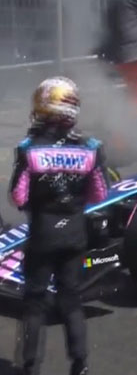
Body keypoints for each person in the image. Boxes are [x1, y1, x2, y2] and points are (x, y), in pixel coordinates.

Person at [10, 76, 109, 375]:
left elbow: (17, 197)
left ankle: (30, 366)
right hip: (75, 235)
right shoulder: (91, 147)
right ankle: (80, 364)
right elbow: (100, 194)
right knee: (70, 299)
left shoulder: (29, 148)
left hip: (42, 236)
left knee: (35, 302)